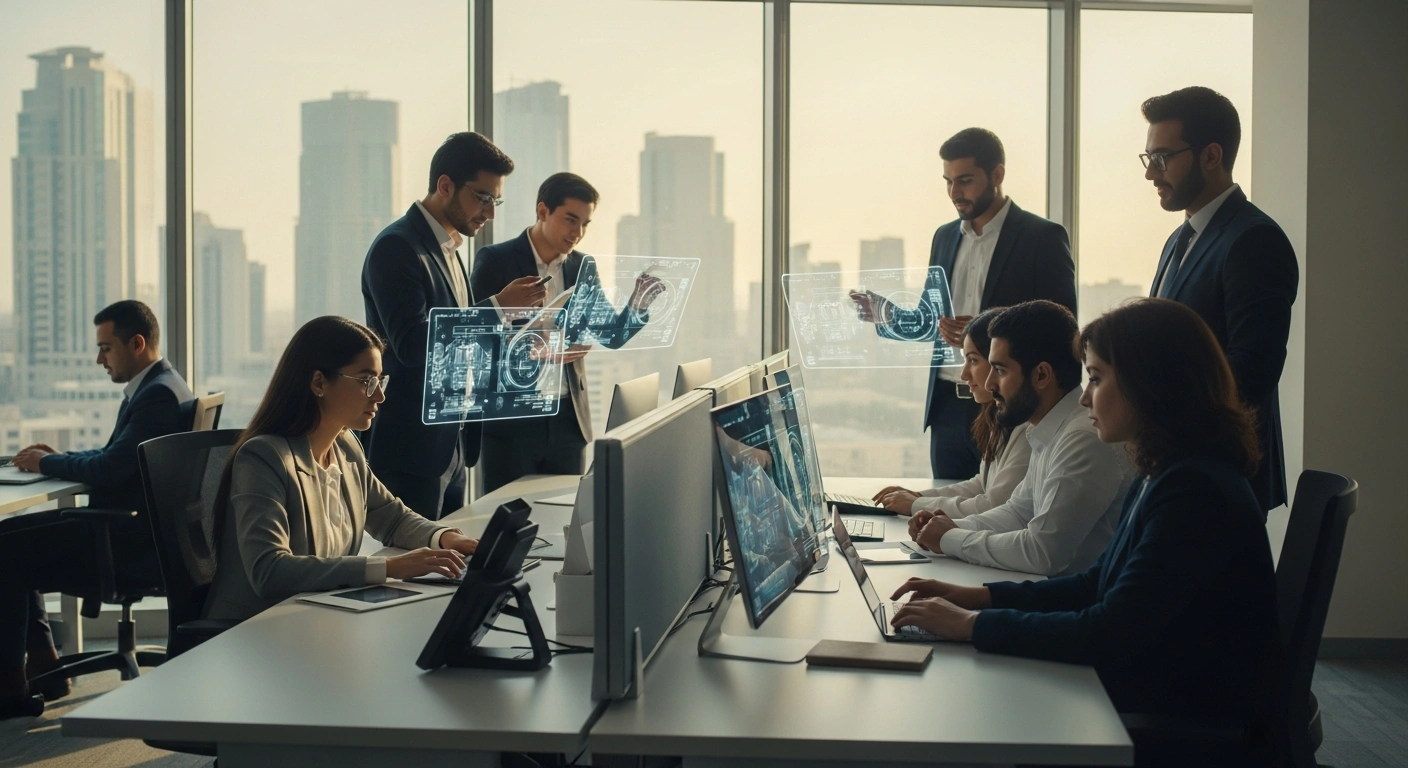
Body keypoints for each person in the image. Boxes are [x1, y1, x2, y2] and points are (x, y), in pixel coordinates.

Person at [890, 299, 1279, 766]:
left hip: (1178, 717)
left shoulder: (1194, 493)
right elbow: (1096, 585)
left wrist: (972, 625)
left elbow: (1105, 631)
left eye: (1095, 379)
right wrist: (979, 598)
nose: (1083, 397)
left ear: (1149, 385)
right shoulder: (1169, 471)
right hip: (1156, 689)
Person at [203, 316, 479, 623]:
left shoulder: (346, 446)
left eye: (380, 381)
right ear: (319, 382)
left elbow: (391, 518)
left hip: (320, 618)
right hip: (257, 631)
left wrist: (445, 539)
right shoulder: (263, 458)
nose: (379, 396)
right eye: (366, 381)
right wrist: (390, 568)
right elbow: (269, 571)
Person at [0, 300, 193, 717]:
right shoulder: (165, 385)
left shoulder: (155, 396)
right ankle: (46, 667)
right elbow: (117, 457)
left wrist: (47, 463)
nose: (98, 359)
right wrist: (60, 456)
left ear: (136, 343)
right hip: (136, 532)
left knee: (5, 552)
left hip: (123, 542)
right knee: (8, 537)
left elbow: (109, 469)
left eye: (106, 348)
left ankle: (11, 686)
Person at [854, 128, 1075, 481]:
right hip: (947, 407)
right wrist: (888, 315)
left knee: (1002, 511)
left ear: (997, 175)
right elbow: (931, 320)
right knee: (944, 511)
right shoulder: (944, 237)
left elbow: (1062, 325)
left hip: (1006, 403)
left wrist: (988, 329)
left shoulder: (1042, 237)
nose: (955, 192)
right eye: (948, 181)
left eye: (965, 180)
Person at [362, 132, 547, 520]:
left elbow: (457, 338)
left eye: (495, 201)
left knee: (446, 571)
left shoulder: (448, 249)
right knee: (415, 572)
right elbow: (412, 343)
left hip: (454, 446)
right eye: (482, 198)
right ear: (445, 186)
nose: (491, 213)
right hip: (413, 450)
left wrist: (514, 340)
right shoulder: (397, 248)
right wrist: (497, 307)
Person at [1141, 86, 1298, 514]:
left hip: (1221, 477)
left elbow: (1253, 370)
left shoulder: (1254, 239)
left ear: (1211, 155)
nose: (1151, 174)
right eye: (1148, 159)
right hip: (1174, 466)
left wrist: (1155, 405)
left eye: (1162, 158)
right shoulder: (1180, 237)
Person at [470, 173, 665, 492]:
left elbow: (610, 335)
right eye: (571, 220)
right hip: (511, 424)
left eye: (585, 224)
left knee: (563, 519)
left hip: (567, 421)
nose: (578, 232)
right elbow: (476, 337)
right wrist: (534, 350)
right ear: (543, 211)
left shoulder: (582, 266)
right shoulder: (496, 259)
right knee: (504, 522)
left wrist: (638, 304)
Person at [908, 300, 1131, 576]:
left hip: (1066, 605)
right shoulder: (1047, 429)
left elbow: (1043, 552)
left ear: (1041, 375)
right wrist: (947, 527)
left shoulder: (1082, 438)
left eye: (1000, 370)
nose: (990, 384)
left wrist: (950, 538)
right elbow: (1017, 513)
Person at [870, 308, 1034, 541]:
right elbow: (982, 484)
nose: (964, 374)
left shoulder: (1027, 428)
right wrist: (916, 496)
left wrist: (917, 503)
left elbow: (995, 503)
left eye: (973, 361)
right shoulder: (999, 418)